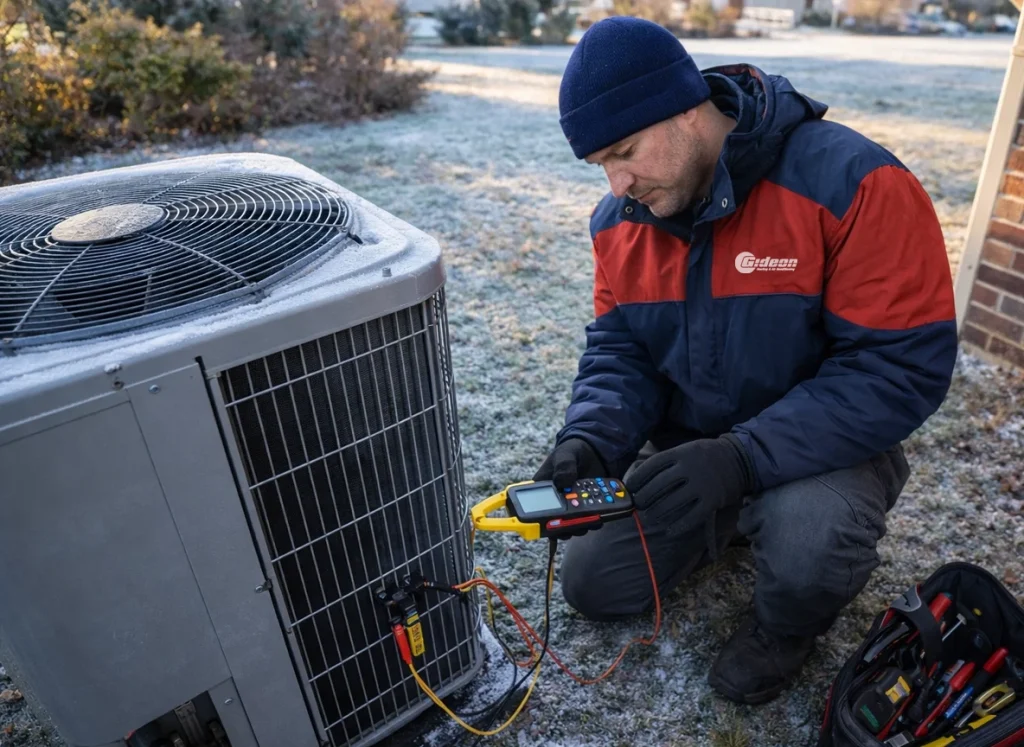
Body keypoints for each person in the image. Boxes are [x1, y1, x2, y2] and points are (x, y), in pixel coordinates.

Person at [534, 16, 959, 705]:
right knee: (593, 581)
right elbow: (621, 349)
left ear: (683, 109)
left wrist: (742, 459)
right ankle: (729, 519)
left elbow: (898, 367)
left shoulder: (854, 181)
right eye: (599, 165)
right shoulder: (618, 225)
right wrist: (591, 438)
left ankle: (785, 627)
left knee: (809, 538)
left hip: (825, 452)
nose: (616, 183)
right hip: (697, 454)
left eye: (625, 150)